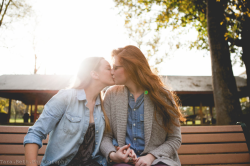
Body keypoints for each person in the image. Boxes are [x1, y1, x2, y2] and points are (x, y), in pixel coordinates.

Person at [100, 45, 185, 166]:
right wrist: (114, 154)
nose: (112, 72)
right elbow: (105, 136)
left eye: (115, 67)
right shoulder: (111, 94)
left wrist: (151, 157)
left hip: (158, 160)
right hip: (124, 162)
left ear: (131, 68)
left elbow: (174, 139)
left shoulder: (163, 96)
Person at [23, 57, 116, 166]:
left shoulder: (104, 105)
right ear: (94, 74)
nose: (113, 72)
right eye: (108, 68)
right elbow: (35, 133)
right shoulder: (66, 98)